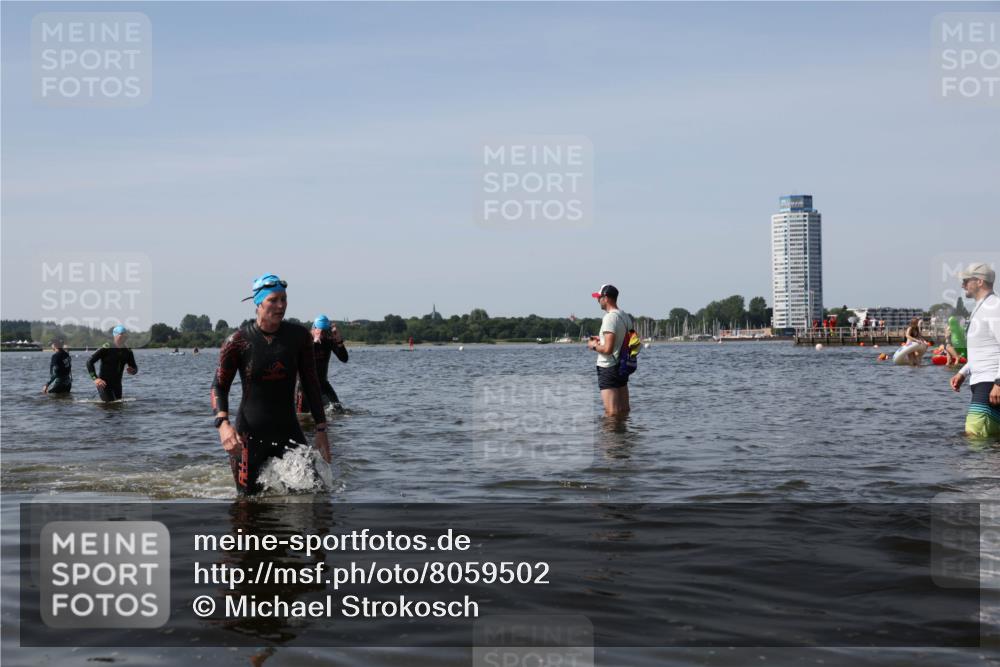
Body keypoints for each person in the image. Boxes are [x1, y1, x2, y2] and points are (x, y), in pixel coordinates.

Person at [211, 274, 331, 496]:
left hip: (288, 430)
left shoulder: (299, 337)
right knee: (247, 504)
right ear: (258, 303)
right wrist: (223, 424)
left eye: (284, 299)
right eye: (273, 300)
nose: (281, 305)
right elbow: (219, 386)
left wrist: (321, 429)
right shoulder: (237, 342)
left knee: (316, 492)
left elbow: (311, 384)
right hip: (249, 436)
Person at [949, 263, 1000, 439]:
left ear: (979, 281)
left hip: (990, 382)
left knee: (974, 437)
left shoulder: (994, 307)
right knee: (990, 442)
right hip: (983, 381)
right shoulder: (981, 307)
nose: (962, 285)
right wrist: (963, 372)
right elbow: (983, 349)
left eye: (965, 280)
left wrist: (999, 383)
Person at [587, 284, 631, 418]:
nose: (597, 300)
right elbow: (624, 341)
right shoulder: (625, 316)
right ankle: (624, 437)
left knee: (611, 412)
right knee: (623, 410)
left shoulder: (610, 318)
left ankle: (611, 439)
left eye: (599, 297)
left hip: (608, 368)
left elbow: (607, 349)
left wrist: (593, 345)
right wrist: (601, 338)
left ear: (606, 298)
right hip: (622, 367)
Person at [296, 314, 348, 414]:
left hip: (322, 384)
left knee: (337, 410)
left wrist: (339, 341)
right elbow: (303, 359)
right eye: (321, 331)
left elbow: (344, 358)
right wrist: (315, 342)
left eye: (325, 331)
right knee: (302, 416)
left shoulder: (328, 341)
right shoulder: (304, 340)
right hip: (303, 387)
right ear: (314, 328)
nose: (323, 335)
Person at [86, 325, 138, 402]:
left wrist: (133, 371)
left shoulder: (128, 351)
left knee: (118, 406)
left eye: (125, 334)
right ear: (115, 335)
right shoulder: (107, 347)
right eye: (121, 334)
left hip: (117, 384)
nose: (124, 336)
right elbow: (89, 362)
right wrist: (95, 379)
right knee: (109, 405)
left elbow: (135, 368)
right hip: (104, 384)